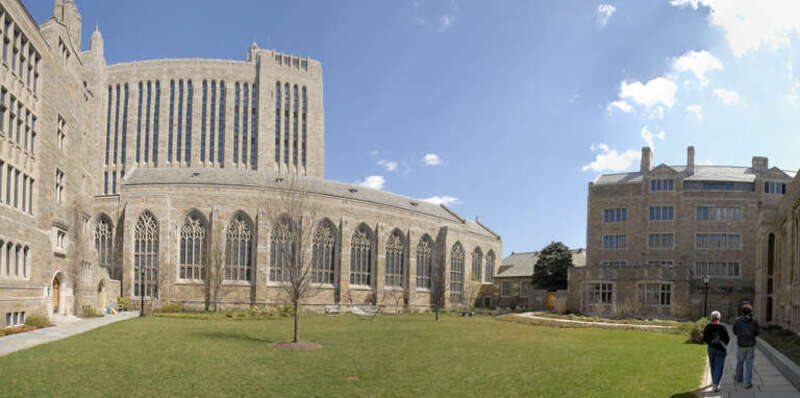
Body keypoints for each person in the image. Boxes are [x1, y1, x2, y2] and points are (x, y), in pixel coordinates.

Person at [733, 304, 759, 389]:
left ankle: (738, 378)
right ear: (750, 311)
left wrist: (740, 334)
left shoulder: (737, 320)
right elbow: (757, 332)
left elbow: (734, 331)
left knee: (740, 362)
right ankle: (747, 383)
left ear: (742, 311)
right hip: (750, 344)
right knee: (749, 364)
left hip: (741, 344)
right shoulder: (754, 321)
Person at [703, 311, 730, 392]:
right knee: (719, 367)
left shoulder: (708, 326)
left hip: (711, 348)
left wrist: (710, 343)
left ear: (711, 318)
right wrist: (723, 343)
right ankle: (715, 384)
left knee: (713, 365)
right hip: (721, 349)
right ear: (719, 318)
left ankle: (714, 381)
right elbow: (727, 339)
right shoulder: (722, 327)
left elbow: (705, 338)